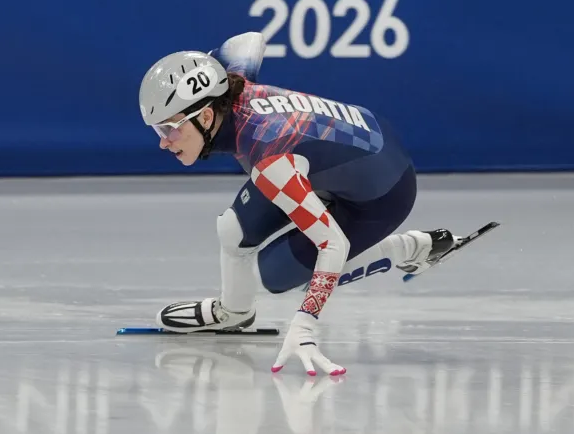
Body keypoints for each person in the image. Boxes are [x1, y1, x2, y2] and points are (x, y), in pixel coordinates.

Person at [138, 32, 461, 376]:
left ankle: (410, 247)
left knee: (272, 276)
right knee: (232, 230)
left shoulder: (270, 159)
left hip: (384, 191)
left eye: (167, 129)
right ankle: (234, 313)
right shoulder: (232, 79)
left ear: (204, 118)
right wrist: (208, 64)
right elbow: (250, 39)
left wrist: (305, 326)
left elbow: (331, 243)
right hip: (351, 146)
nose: (163, 143)